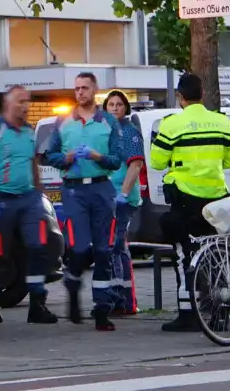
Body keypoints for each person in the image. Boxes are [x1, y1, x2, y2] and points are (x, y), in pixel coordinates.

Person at [44, 72, 134, 331]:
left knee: (104, 250)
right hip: (73, 191)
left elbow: (117, 158)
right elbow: (50, 155)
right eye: (77, 88)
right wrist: (67, 158)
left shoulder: (107, 121)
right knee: (80, 248)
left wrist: (98, 157)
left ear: (95, 89)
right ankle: (72, 283)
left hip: (101, 189)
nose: (80, 92)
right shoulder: (63, 121)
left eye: (84, 88)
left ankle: (102, 310)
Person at [150, 73, 230, 332]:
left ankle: (188, 313)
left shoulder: (171, 125)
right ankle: (221, 312)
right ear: (202, 94)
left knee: (184, 255)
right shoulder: (222, 123)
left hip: (185, 201)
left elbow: (156, 162)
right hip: (216, 201)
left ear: (180, 97)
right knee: (217, 255)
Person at [0, 85, 58, 324]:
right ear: (8, 104)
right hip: (3, 199)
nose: (25, 106)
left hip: (28, 198)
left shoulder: (29, 132)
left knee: (37, 249)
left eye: (27, 102)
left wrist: (40, 192)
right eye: (21, 101)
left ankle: (37, 304)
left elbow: (33, 164)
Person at [104, 90, 144, 316]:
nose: (115, 108)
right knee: (114, 247)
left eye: (119, 104)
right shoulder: (104, 132)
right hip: (106, 197)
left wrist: (123, 194)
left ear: (125, 108)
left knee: (116, 245)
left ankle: (123, 300)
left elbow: (136, 165)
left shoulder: (129, 132)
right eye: (111, 104)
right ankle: (121, 299)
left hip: (123, 199)